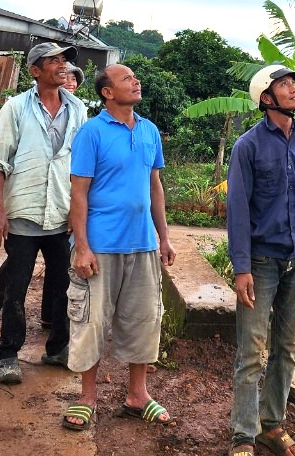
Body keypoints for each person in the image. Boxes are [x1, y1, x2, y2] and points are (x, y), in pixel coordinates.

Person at [63, 63, 175, 432]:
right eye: (126, 78)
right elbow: (78, 192)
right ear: (107, 92)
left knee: (143, 320)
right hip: (100, 246)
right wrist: (82, 246)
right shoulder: (92, 132)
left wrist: (164, 237)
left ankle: (137, 395)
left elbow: (154, 186)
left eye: (134, 77)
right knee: (91, 321)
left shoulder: (149, 130)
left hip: (142, 245)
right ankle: (87, 397)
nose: (135, 81)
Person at [0, 42, 84, 385]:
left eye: (64, 60)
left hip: (61, 212)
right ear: (35, 71)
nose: (62, 65)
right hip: (24, 212)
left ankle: (58, 347)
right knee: (16, 288)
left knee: (63, 285)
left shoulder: (77, 109)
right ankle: (8, 354)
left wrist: (78, 214)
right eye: (54, 61)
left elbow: (81, 165)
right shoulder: (16, 108)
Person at [227, 66, 295, 456]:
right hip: (262, 262)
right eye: (284, 85)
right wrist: (242, 269)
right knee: (251, 352)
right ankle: (242, 434)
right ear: (266, 98)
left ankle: (272, 425)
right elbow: (236, 211)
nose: (293, 90)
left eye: (293, 84)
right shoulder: (248, 147)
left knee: (286, 348)